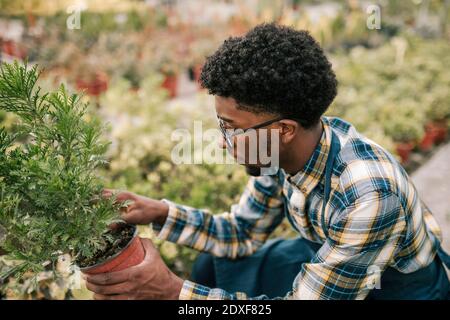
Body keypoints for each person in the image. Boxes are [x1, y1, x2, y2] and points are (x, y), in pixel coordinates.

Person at [84, 23, 450, 300]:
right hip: (334, 259)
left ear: (284, 129)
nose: (223, 143)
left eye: (231, 128)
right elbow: (241, 232)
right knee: (213, 265)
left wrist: (172, 292)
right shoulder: (276, 153)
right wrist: (159, 212)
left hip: (394, 289)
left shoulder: (369, 195)